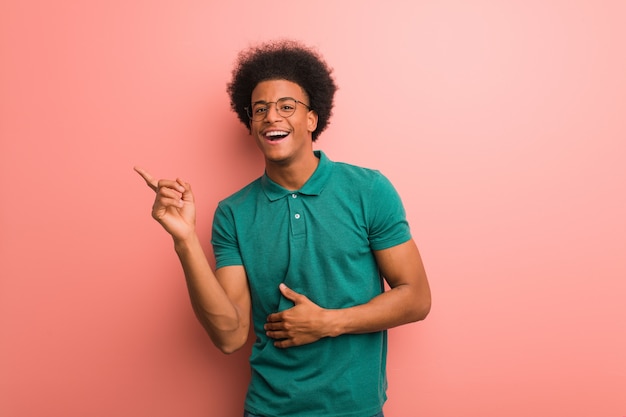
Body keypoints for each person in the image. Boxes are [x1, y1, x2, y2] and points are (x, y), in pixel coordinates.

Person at [135, 39, 431, 417]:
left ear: (312, 118)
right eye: (260, 109)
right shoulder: (233, 213)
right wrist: (185, 241)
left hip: (355, 409)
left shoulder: (368, 190)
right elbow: (229, 336)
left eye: (286, 106)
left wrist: (328, 322)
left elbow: (417, 297)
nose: (272, 116)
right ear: (251, 124)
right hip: (268, 408)